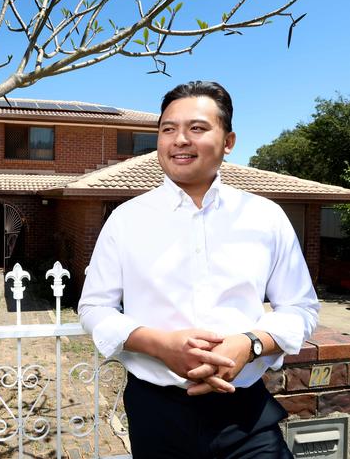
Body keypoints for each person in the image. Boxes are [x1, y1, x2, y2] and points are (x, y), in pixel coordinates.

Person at [78, 81, 319, 458]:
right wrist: (160, 346)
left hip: (246, 416)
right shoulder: (125, 221)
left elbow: (301, 308)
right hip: (157, 413)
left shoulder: (265, 217)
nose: (179, 140)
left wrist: (250, 344)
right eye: (168, 129)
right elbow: (93, 309)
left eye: (197, 128)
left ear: (229, 141)